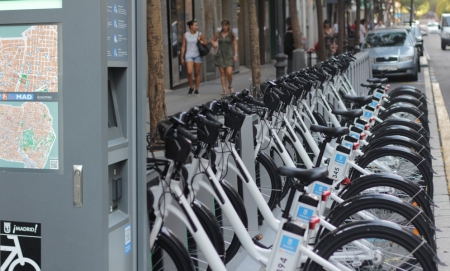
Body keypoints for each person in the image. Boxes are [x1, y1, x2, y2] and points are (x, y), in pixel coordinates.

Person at [211, 19, 238, 96]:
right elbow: (212, 40)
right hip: (220, 55)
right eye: (223, 25)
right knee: (222, 73)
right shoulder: (218, 34)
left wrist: (236, 55)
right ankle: (224, 89)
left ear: (228, 25)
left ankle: (230, 85)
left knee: (229, 72)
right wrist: (214, 44)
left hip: (229, 55)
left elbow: (235, 44)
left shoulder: (232, 34)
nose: (224, 27)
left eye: (226, 25)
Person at [181, 19, 207, 96]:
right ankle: (191, 87)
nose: (197, 27)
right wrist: (181, 57)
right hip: (189, 55)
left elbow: (205, 43)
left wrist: (200, 41)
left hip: (197, 55)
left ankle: (196, 89)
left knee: (197, 73)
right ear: (191, 26)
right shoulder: (185, 35)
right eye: (195, 25)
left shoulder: (199, 34)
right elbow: (183, 46)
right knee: (189, 72)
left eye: (197, 25)